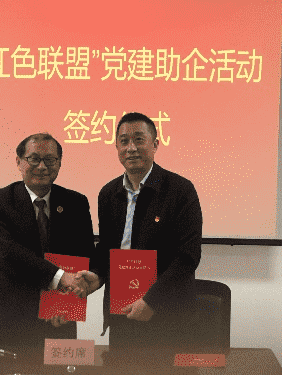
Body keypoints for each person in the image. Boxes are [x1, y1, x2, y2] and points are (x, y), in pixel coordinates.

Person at [75, 112, 203, 371]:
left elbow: (187, 257)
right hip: (122, 314)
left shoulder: (180, 190)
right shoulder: (108, 193)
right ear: (117, 148)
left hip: (167, 315)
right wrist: (97, 276)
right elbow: (108, 249)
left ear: (155, 144)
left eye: (139, 139)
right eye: (124, 141)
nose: (131, 148)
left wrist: (152, 301)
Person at [0, 133, 95, 350]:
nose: (42, 166)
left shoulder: (76, 203)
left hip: (59, 319)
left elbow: (84, 254)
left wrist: (68, 302)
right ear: (19, 161)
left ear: (59, 163)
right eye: (34, 159)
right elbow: (5, 253)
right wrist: (60, 278)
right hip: (8, 322)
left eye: (50, 159)